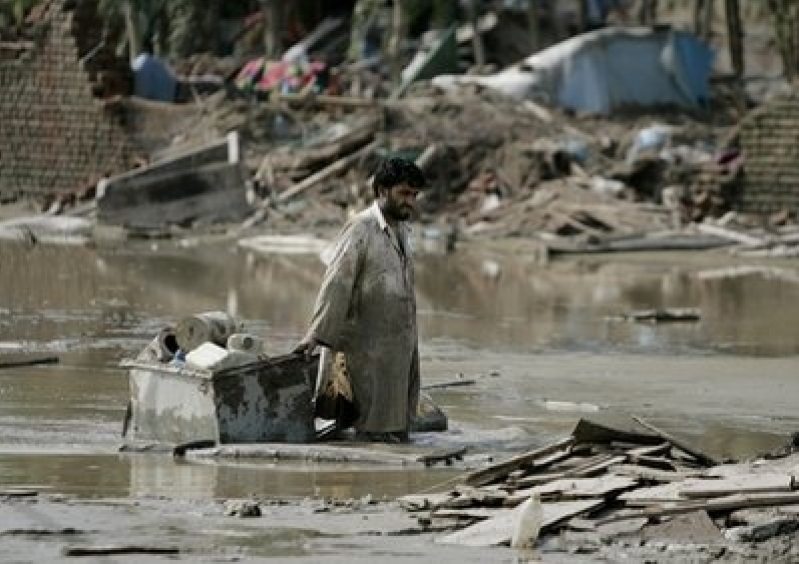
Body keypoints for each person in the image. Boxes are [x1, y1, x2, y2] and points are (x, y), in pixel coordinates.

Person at [294, 157, 427, 443]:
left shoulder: (402, 230)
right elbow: (337, 284)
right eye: (404, 193)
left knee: (396, 422)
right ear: (381, 190)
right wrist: (316, 334)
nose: (411, 203)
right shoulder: (360, 228)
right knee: (367, 423)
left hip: (398, 344)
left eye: (414, 195)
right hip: (365, 348)